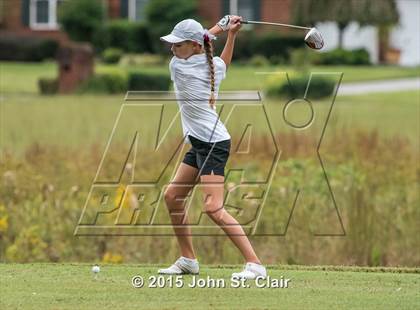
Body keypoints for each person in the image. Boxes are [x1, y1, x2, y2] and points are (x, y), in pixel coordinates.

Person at [158, 16, 267, 280]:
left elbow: (205, 41)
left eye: (178, 44)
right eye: (172, 44)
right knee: (173, 197)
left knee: (213, 208)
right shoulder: (212, 66)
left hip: (213, 144)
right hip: (200, 141)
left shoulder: (179, 67)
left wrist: (221, 27)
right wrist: (231, 34)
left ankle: (255, 265)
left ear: (194, 46)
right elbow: (221, 61)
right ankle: (188, 260)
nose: (173, 49)